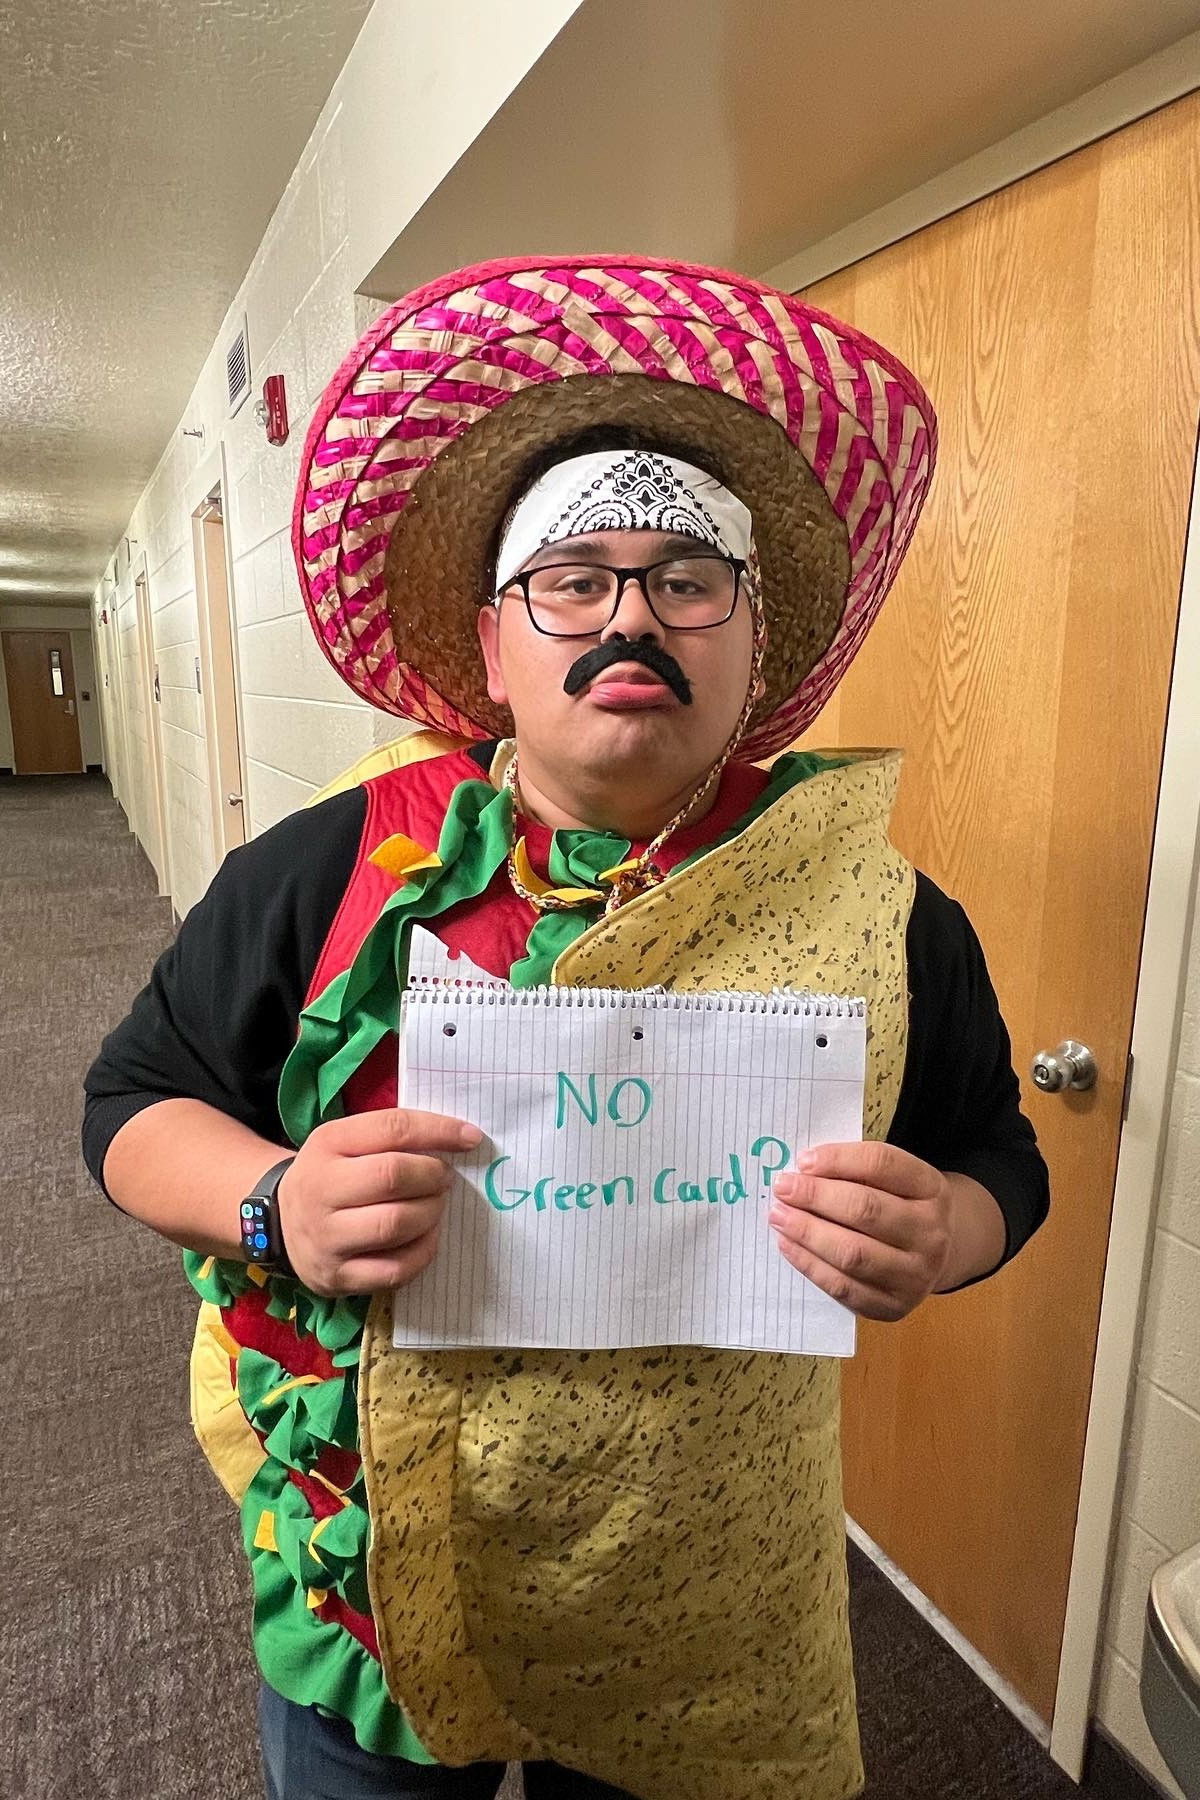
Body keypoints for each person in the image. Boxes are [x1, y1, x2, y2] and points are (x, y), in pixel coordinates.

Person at [83, 256, 1049, 1800]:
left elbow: (997, 1153)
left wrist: (948, 1230)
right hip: (385, 1563)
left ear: (755, 639)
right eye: (574, 581)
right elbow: (135, 1103)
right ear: (493, 647)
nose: (632, 620)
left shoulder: (879, 914)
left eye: (689, 581)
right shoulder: (334, 870)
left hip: (702, 1592)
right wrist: (274, 1203)